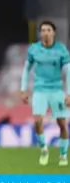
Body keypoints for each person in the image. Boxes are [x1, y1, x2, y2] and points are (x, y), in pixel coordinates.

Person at [20, 20, 70, 166]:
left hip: (57, 90)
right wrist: (24, 89)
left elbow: (68, 72)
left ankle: (63, 154)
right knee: (38, 121)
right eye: (43, 30)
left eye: (48, 30)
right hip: (40, 90)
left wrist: (68, 94)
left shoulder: (61, 49)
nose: (45, 33)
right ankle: (43, 150)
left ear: (53, 33)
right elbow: (26, 70)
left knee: (62, 124)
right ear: (40, 33)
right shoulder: (34, 49)